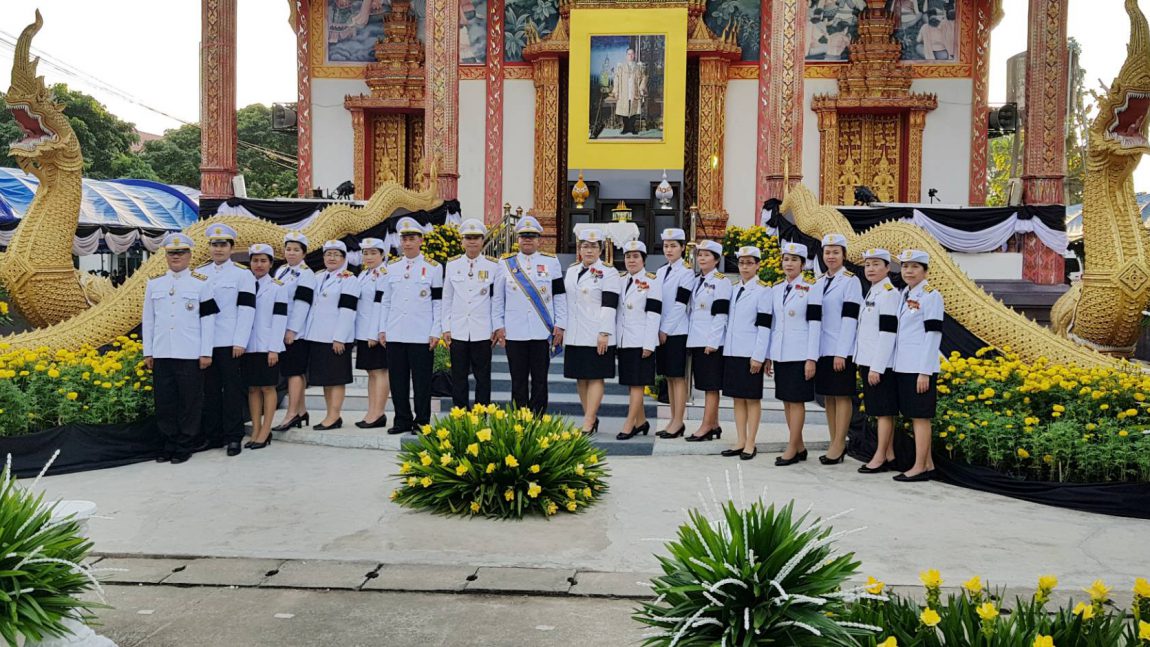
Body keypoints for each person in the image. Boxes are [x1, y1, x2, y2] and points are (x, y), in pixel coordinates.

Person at [143, 233, 218, 464]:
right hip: (163, 351)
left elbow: (208, 320)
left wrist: (206, 352)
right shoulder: (154, 283)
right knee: (165, 400)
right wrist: (148, 351)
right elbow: (148, 320)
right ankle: (168, 442)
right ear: (165, 256)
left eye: (181, 252)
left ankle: (185, 444)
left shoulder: (202, 283)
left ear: (189, 255)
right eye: (172, 253)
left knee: (189, 401)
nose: (176, 257)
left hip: (190, 352)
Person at [492, 215, 567, 415]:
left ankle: (538, 420)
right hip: (514, 331)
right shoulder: (505, 264)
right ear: (518, 239)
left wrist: (560, 324)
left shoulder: (551, 262)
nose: (527, 239)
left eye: (532, 236)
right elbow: (498, 299)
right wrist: (498, 326)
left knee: (540, 379)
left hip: (542, 330)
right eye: (524, 236)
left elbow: (559, 295)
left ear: (539, 239)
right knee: (517, 379)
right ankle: (519, 420)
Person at [379, 217, 443, 434]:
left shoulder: (433, 268)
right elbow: (386, 301)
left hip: (421, 333)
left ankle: (422, 421)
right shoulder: (392, 267)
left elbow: (438, 302)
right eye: (404, 238)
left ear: (421, 240)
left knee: (422, 381)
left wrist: (436, 331)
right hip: (396, 332)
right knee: (398, 381)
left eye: (412, 238)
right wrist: (382, 328)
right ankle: (402, 419)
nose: (407, 243)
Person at [197, 224, 256, 457]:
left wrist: (240, 341)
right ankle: (213, 436)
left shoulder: (242, 275)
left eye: (223, 245)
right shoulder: (199, 274)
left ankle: (233, 437)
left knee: (231, 392)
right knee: (209, 392)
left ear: (231, 248)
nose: (218, 249)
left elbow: (247, 310)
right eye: (214, 245)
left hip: (231, 343)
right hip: (205, 344)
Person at [891, 249, 944, 482]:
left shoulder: (931, 296)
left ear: (925, 271)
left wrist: (924, 371)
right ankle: (928, 463)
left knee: (920, 417)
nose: (909, 271)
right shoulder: (904, 293)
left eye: (914, 267)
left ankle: (919, 467)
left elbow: (933, 335)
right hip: (904, 365)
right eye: (905, 266)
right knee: (913, 415)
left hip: (920, 368)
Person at [768, 241, 823, 466]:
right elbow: (774, 324)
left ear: (803, 264)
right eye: (786, 259)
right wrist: (770, 355)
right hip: (781, 352)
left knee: (796, 401)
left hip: (800, 354)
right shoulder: (776, 288)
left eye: (794, 260)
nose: (789, 264)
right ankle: (798, 445)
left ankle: (792, 447)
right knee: (786, 401)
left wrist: (811, 358)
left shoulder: (812, 289)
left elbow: (815, 324)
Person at [562, 227, 620, 435]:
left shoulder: (609, 272)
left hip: (597, 333)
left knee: (596, 376)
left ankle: (588, 420)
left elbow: (610, 304)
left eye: (593, 247)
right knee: (580, 377)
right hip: (575, 333)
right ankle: (591, 417)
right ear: (579, 248)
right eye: (585, 246)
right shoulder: (572, 270)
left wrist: (604, 332)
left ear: (601, 250)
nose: (588, 251)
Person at [814, 233, 863, 465]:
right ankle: (834, 439)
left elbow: (850, 319)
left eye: (835, 252)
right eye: (827, 252)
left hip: (840, 349)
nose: (831, 256)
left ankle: (840, 443)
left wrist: (842, 352)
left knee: (842, 395)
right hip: (823, 348)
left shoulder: (850, 281)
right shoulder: (820, 281)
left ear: (844, 255)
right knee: (829, 397)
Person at [720, 246, 772, 460]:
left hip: (751, 352)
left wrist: (759, 355)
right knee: (737, 398)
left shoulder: (763, 290)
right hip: (733, 350)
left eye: (750, 263)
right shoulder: (732, 289)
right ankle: (740, 439)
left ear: (758, 264)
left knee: (751, 399)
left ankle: (751, 442)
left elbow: (764, 326)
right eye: (741, 263)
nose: (745, 267)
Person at [443, 218, 501, 409]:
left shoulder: (493, 266)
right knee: (458, 376)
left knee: (482, 377)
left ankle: (481, 415)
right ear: (462, 241)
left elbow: (495, 300)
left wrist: (495, 327)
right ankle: (460, 417)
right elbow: (447, 299)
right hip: (458, 329)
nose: (472, 242)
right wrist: (446, 327)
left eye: (476, 238)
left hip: (482, 330)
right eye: (468, 238)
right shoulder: (452, 265)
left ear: (483, 240)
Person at [302, 240, 360, 430]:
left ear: (344, 259)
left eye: (336, 255)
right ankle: (330, 414)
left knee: (336, 378)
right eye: (328, 254)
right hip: (318, 336)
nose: (332, 258)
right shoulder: (318, 277)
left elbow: (348, 310)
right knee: (326, 379)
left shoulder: (349, 279)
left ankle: (334, 416)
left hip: (336, 339)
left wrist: (339, 338)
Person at [855, 248, 901, 474]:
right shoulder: (874, 292)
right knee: (881, 410)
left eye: (876, 264)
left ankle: (880, 456)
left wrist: (877, 367)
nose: (870, 269)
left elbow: (888, 333)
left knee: (883, 411)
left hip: (880, 364)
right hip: (868, 360)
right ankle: (889, 453)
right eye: (867, 265)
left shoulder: (889, 294)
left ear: (887, 268)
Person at [242, 244, 289, 450]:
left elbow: (280, 320)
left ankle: (266, 430)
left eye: (263, 261)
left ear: (270, 263)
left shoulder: (278, 287)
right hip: (247, 346)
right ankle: (256, 428)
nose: (258, 265)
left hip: (267, 345)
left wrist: (274, 348)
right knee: (252, 389)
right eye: (255, 260)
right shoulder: (244, 284)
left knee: (268, 387)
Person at [615, 240, 661, 440]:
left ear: (643, 260)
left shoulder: (653, 281)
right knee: (631, 383)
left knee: (637, 385)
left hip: (641, 341)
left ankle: (629, 424)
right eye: (628, 256)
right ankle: (641, 422)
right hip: (624, 339)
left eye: (635, 257)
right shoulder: (620, 279)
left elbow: (654, 315)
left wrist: (649, 344)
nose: (631, 260)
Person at [685, 239, 730, 442]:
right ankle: (714, 424)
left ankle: (705, 426)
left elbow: (721, 314)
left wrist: (713, 342)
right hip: (696, 338)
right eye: (700, 255)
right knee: (703, 383)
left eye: (706, 255)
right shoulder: (696, 280)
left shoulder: (722, 282)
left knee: (711, 386)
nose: (701, 258)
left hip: (711, 342)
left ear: (716, 259)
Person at [273, 231, 316, 431]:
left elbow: (302, 304)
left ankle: (291, 414)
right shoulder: (281, 271)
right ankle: (301, 410)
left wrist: (292, 330)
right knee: (291, 371)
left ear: (304, 253)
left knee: (294, 372)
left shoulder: (306, 273)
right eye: (288, 249)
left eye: (296, 250)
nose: (291, 253)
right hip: (281, 329)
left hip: (296, 333)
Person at [654, 228, 693, 439]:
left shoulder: (686, 272)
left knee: (678, 378)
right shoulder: (661, 271)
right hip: (661, 332)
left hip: (676, 331)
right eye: (666, 246)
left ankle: (679, 421)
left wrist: (665, 330)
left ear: (682, 248)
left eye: (673, 246)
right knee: (668, 377)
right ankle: (672, 419)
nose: (669, 250)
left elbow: (680, 304)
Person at [354, 237, 391, 428]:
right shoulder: (364, 274)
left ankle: (379, 412)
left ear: (382, 255)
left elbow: (380, 305)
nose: (368, 257)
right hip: (363, 331)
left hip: (375, 332)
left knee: (380, 371)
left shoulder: (384, 274)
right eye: (366, 253)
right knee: (371, 372)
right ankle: (371, 411)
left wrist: (375, 333)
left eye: (373, 253)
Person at [611, 46, 647, 135]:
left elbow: (644, 77)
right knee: (625, 110)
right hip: (624, 92)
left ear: (634, 55)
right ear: (626, 55)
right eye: (629, 54)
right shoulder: (621, 66)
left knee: (633, 110)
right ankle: (626, 128)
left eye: (632, 54)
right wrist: (616, 91)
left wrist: (641, 88)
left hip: (634, 92)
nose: (630, 55)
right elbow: (616, 78)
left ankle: (632, 128)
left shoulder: (638, 67)